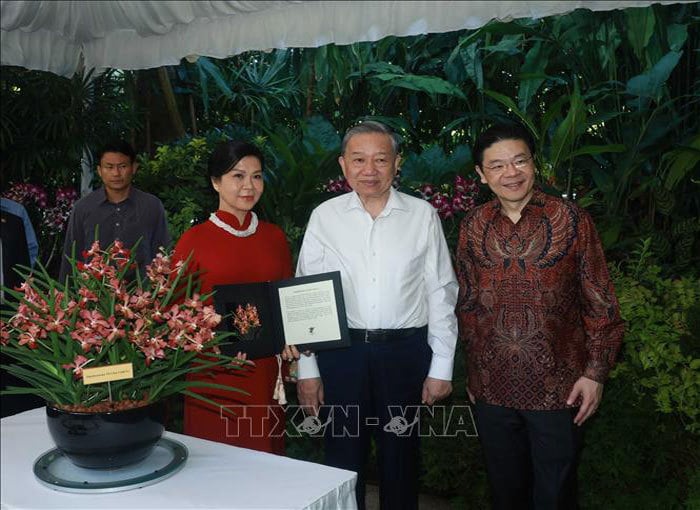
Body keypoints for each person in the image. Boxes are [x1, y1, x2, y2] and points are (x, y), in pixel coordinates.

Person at [455, 122, 624, 510]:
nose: (510, 173)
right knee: (505, 493)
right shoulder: (471, 225)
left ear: (534, 164)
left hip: (559, 387)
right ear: (481, 175)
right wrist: (473, 375)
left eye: (519, 161)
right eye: (496, 166)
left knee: (555, 495)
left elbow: (601, 302)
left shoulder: (573, 219)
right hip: (492, 389)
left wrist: (595, 373)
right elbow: (468, 305)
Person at [292, 121, 458, 509]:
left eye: (381, 159)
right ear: (343, 165)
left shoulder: (422, 215)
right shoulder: (324, 217)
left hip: (405, 353)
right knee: (342, 458)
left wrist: (442, 366)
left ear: (397, 163)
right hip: (341, 353)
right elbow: (307, 296)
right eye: (359, 159)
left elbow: (441, 291)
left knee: (401, 457)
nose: (370, 170)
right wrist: (308, 370)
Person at [173, 140, 293, 454]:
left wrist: (294, 337)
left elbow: (287, 300)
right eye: (237, 176)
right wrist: (213, 344)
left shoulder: (274, 237)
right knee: (216, 465)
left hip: (265, 371)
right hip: (213, 373)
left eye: (256, 176)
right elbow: (172, 312)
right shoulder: (193, 241)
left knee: (264, 464)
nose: (248, 186)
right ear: (215, 182)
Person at [59, 140, 170, 280]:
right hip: (94, 294)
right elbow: (71, 255)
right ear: (99, 170)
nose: (116, 173)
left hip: (142, 294)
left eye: (122, 166)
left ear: (134, 167)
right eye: (109, 167)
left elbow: (162, 250)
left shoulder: (151, 205)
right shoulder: (83, 208)